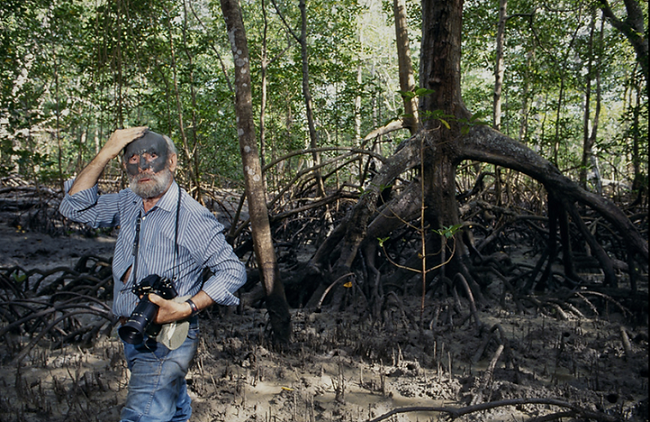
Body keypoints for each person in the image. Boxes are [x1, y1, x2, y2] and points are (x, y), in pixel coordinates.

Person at [59, 127, 247, 422]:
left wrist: (186, 307)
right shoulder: (128, 201)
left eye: (152, 156)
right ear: (124, 166)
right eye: (133, 158)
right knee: (172, 409)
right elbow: (74, 207)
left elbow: (233, 270)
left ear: (171, 162)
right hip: (133, 329)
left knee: (142, 416)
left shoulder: (192, 217)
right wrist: (108, 150)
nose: (143, 166)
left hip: (167, 338)